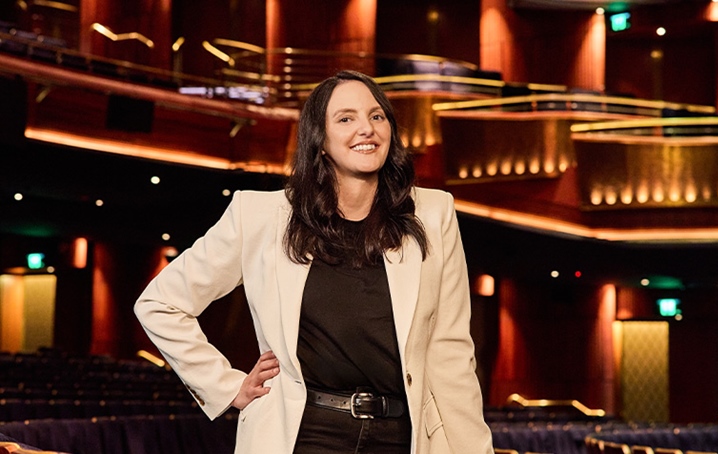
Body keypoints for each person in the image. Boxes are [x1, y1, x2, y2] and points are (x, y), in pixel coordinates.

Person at [134, 69, 493, 454]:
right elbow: (160, 303)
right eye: (345, 118)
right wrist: (226, 387)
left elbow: (451, 353)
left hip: (403, 436)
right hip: (305, 436)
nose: (367, 128)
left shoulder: (433, 214)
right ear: (319, 141)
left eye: (377, 116)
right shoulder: (259, 216)